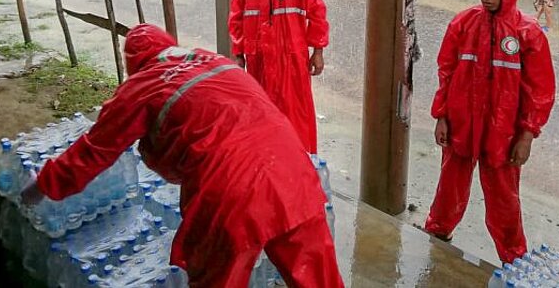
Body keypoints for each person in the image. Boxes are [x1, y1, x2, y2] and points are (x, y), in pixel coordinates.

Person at [21, 24, 344, 288]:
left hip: (230, 193)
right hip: (294, 171)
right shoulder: (214, 60)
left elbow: (92, 152)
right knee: (318, 276)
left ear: (132, 63)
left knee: (217, 276)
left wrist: (40, 187)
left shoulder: (142, 86)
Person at [423, 0, 556, 265]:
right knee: (449, 187)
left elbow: (541, 90)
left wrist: (527, 135)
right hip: (461, 124)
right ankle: (438, 231)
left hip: (504, 133)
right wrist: (441, 116)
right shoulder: (463, 23)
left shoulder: (528, 33)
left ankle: (513, 255)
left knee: (504, 198)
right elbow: (446, 71)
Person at [228, 0, 329, 153]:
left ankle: (302, 166)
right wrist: (238, 56)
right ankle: (269, 167)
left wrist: (318, 51)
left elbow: (317, 13)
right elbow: (236, 20)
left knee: (297, 118)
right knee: (264, 117)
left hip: (293, 63)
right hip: (259, 64)